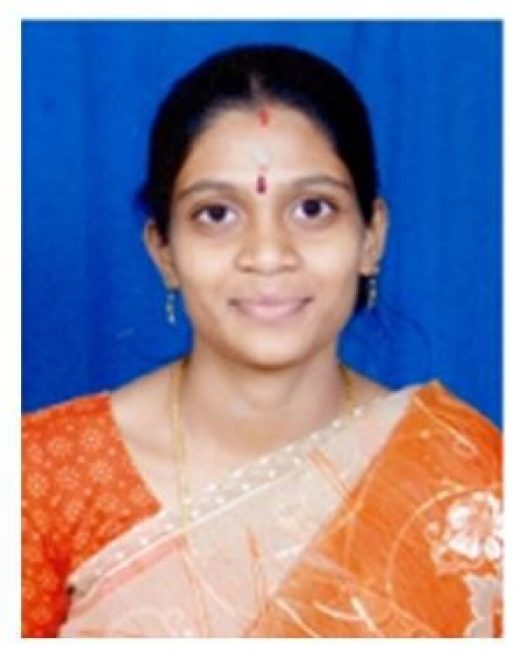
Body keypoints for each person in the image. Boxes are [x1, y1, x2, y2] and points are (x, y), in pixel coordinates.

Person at [22, 44, 502, 638]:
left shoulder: (465, 472)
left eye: (313, 208)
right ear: (163, 250)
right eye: (216, 215)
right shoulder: (39, 478)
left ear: (371, 237)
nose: (268, 254)